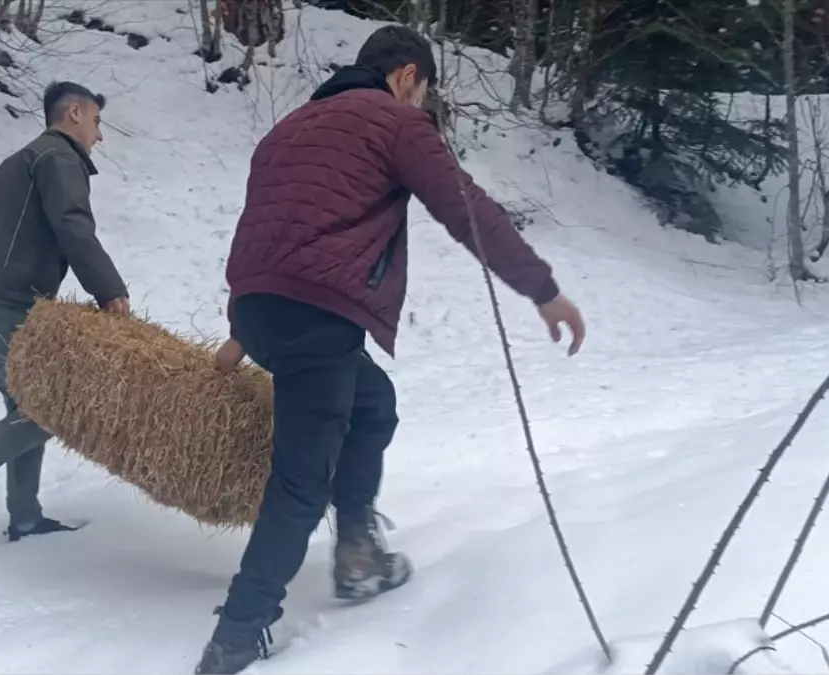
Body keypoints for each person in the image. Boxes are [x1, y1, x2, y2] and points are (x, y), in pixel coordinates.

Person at [194, 25, 586, 675]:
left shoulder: (288, 129)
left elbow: (274, 233)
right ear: (407, 76)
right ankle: (238, 633)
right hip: (316, 317)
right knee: (298, 480)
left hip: (266, 308)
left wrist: (244, 327)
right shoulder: (391, 121)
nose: (420, 107)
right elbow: (466, 207)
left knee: (373, 403)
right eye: (422, 93)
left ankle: (356, 552)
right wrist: (542, 289)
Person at [0, 80, 131, 552]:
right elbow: (73, 225)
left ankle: (26, 518)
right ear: (74, 113)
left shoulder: (21, 160)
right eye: (97, 121)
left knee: (29, 408)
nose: (100, 135)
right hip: (4, 304)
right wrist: (109, 290)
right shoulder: (57, 158)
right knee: (53, 409)